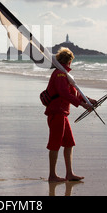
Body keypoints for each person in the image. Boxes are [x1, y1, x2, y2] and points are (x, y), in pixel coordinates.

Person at [44, 47, 96, 182]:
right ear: (69, 61)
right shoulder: (60, 74)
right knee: (55, 144)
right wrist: (83, 105)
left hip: (63, 114)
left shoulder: (65, 75)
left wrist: (88, 100)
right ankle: (52, 175)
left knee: (69, 143)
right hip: (56, 113)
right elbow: (64, 93)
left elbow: (75, 94)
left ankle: (69, 174)